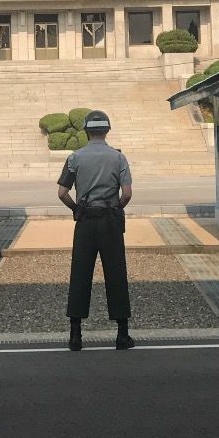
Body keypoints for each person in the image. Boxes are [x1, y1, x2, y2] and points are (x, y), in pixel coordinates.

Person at [56, 109, 134, 352]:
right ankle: (122, 334)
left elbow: (62, 193)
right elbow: (127, 193)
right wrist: (116, 207)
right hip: (110, 220)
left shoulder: (75, 158)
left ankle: (75, 335)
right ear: (107, 130)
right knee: (116, 273)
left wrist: (76, 209)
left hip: (86, 221)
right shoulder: (118, 158)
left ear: (86, 131)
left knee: (80, 273)